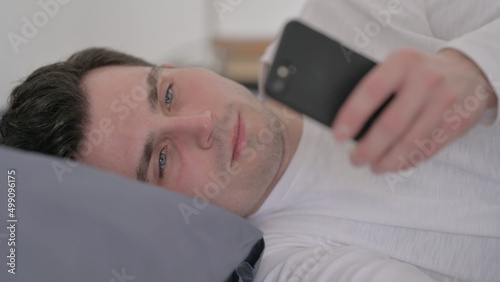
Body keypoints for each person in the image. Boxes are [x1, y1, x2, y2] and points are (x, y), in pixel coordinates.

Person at [1, 0, 499, 281]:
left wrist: (476, 66)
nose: (200, 125)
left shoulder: (347, 18)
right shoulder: (291, 265)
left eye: (168, 95)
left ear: (172, 69)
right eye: (161, 160)